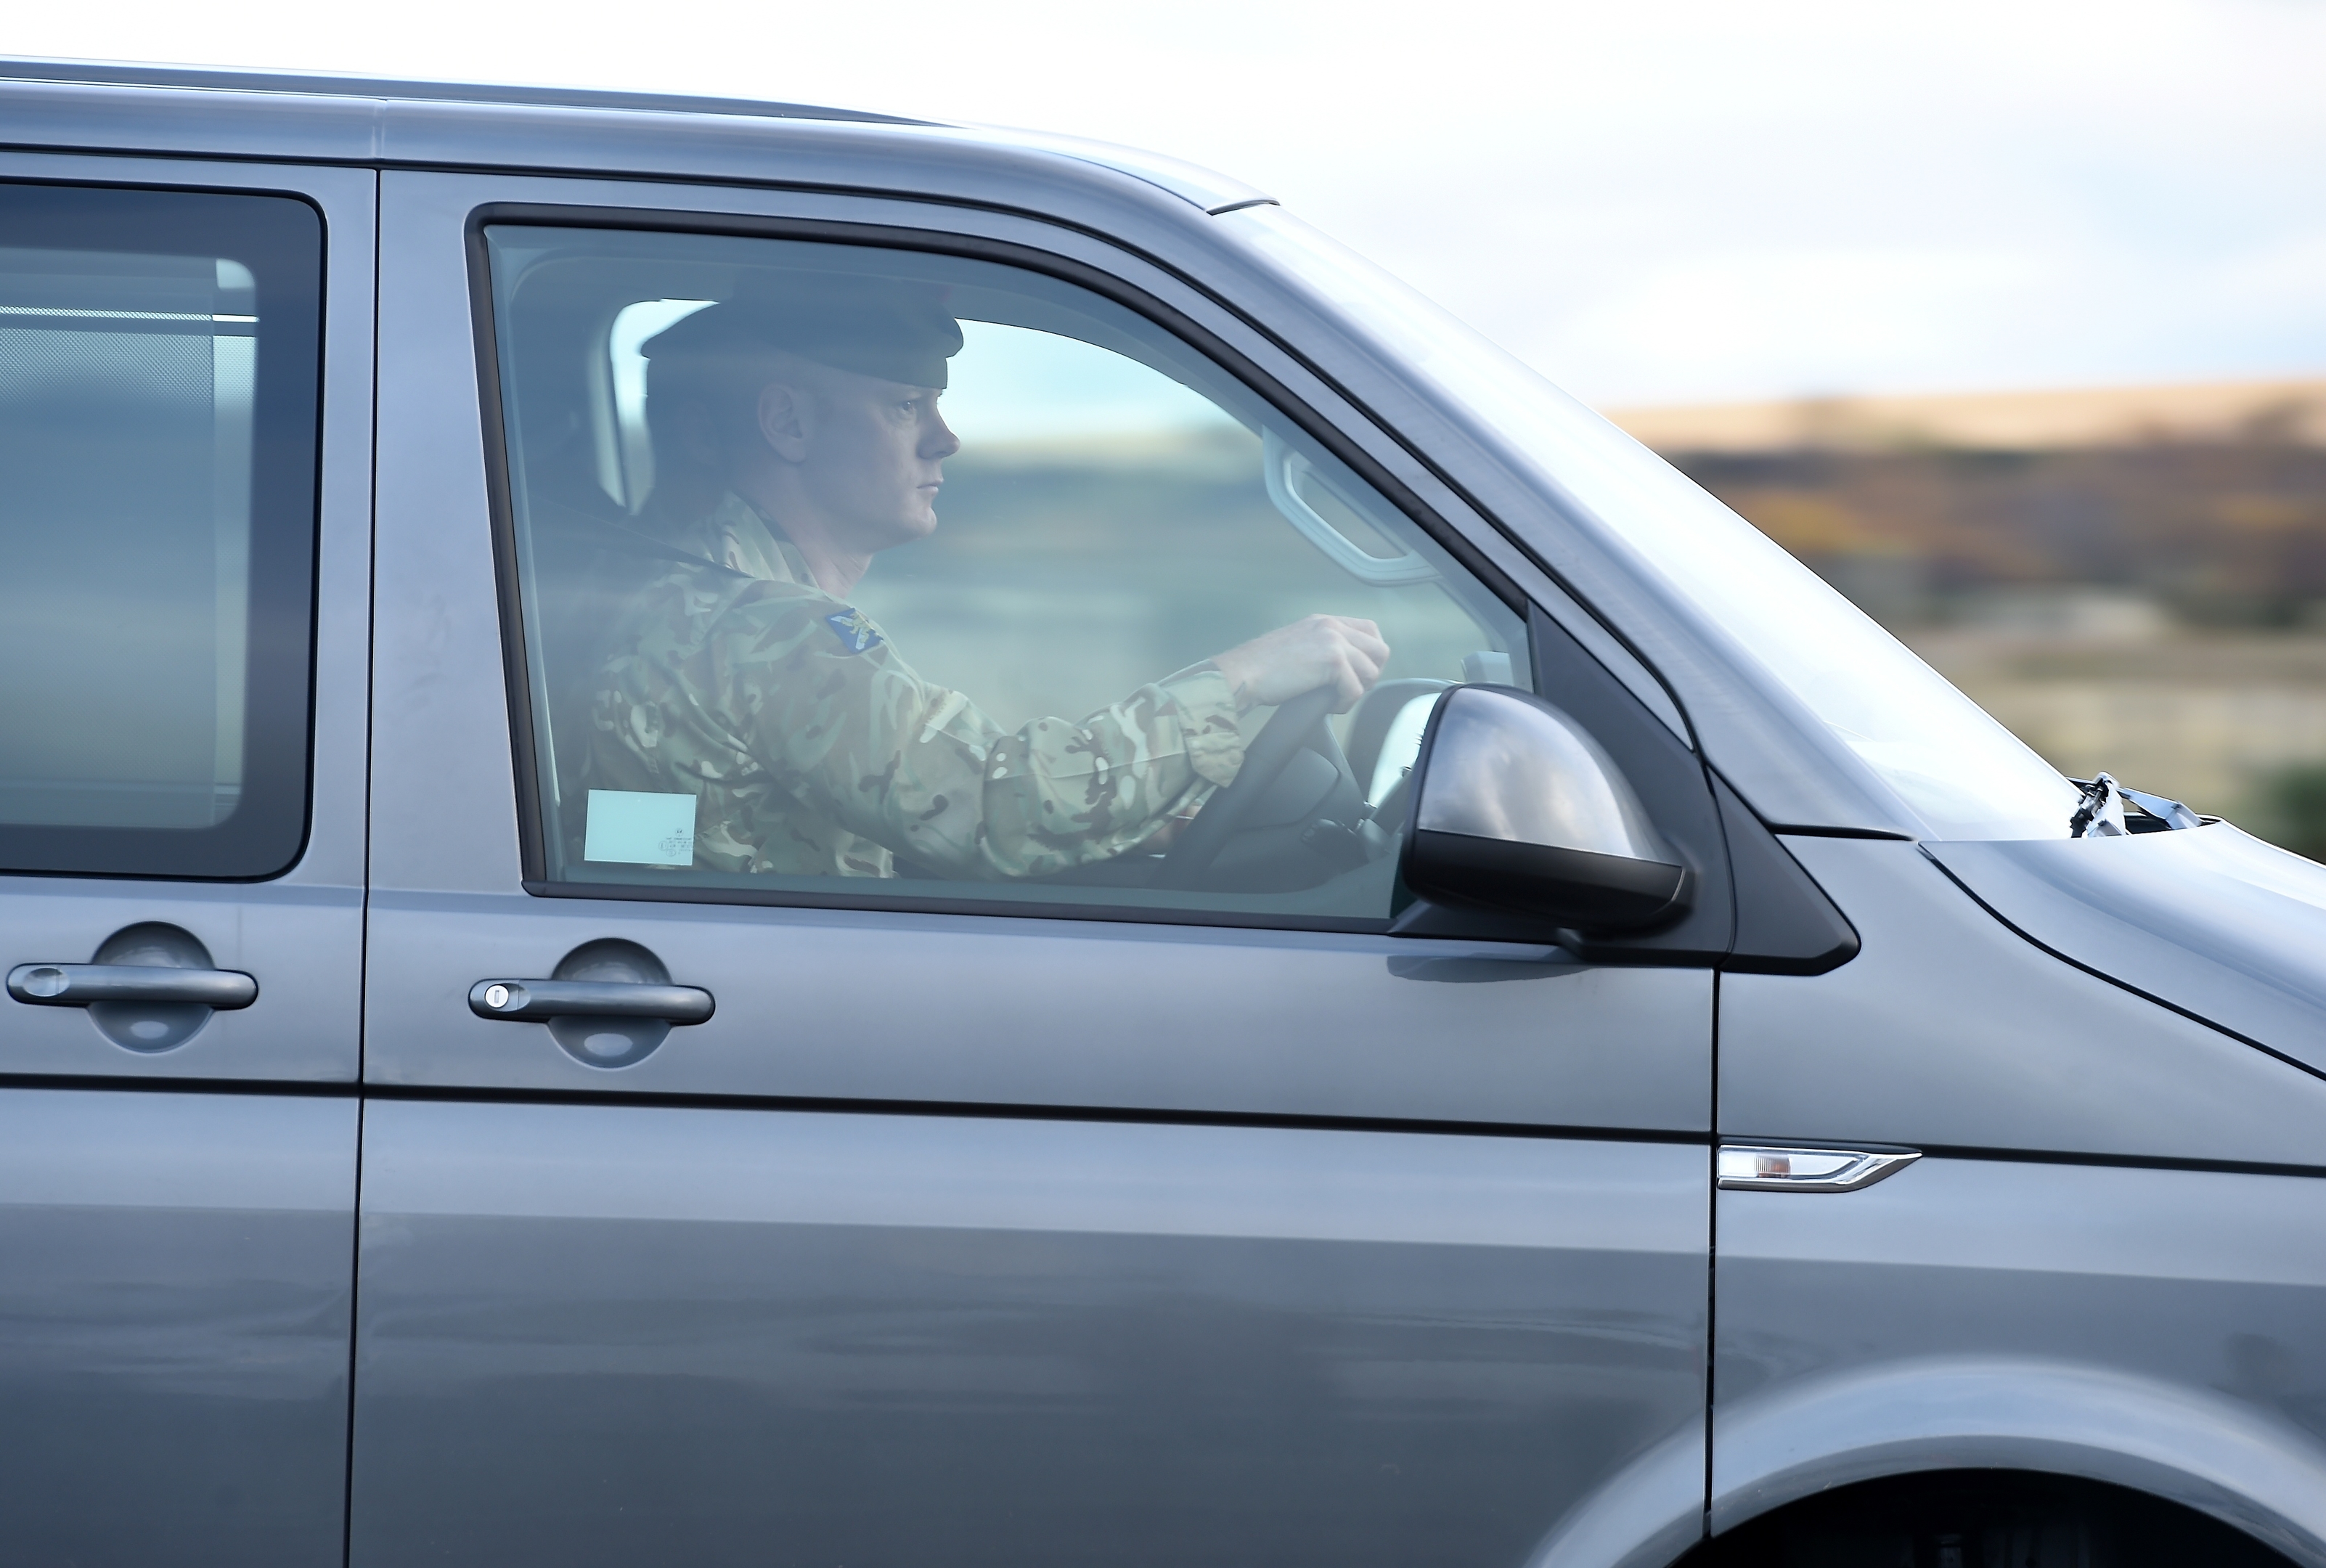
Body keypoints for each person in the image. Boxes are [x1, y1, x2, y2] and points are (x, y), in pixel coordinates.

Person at [582, 272, 1389, 881]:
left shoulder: (677, 598)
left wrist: (1131, 818)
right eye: (905, 407)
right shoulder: (767, 632)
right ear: (788, 423)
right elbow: (997, 807)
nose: (946, 440)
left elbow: (700, 840)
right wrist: (1244, 678)